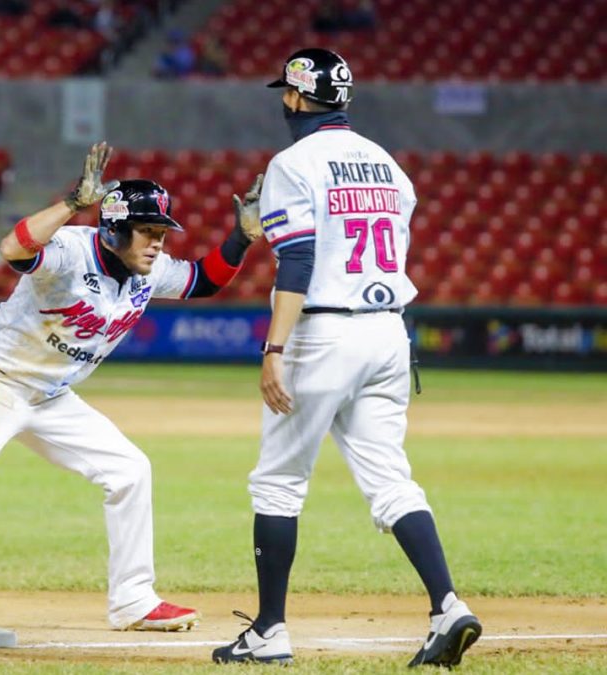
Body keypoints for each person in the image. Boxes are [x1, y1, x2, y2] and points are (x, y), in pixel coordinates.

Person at [0, 143, 265, 632]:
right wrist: (69, 204)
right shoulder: (71, 249)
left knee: (130, 470)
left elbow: (204, 281)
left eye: (162, 233)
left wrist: (241, 237)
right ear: (114, 228)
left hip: (51, 396)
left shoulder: (147, 273)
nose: (158, 243)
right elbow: (13, 248)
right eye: (147, 231)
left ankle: (133, 601)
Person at [211, 49, 481, 668]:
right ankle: (448, 607)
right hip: (388, 331)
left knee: (278, 482)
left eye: (288, 92)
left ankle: (270, 631)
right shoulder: (388, 165)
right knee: (390, 480)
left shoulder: (292, 162)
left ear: (300, 98)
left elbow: (299, 261)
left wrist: (274, 347)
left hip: (324, 331)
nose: (284, 100)